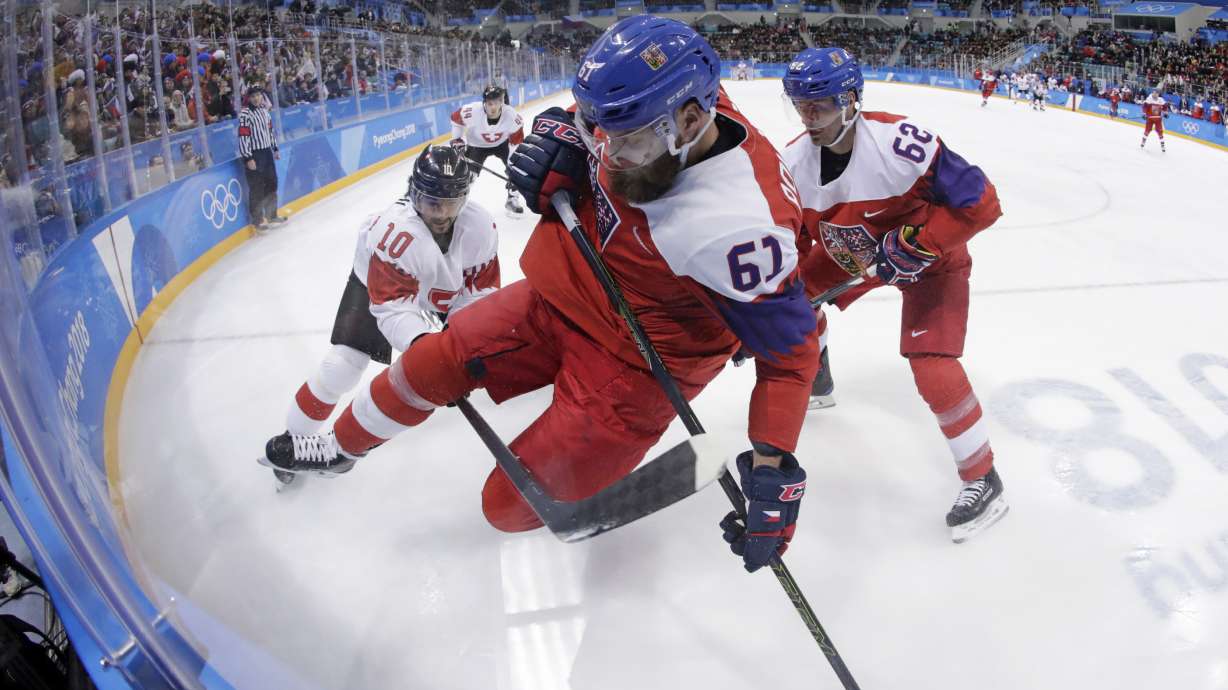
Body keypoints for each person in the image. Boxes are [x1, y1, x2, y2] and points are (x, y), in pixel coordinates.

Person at [262, 16, 818, 574]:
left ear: (691, 121)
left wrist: (774, 470)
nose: (607, 151)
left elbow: (792, 355)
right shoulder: (661, 99)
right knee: (429, 361)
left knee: (504, 507)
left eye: (626, 139)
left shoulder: (741, 231)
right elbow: (582, 121)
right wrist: (561, 132)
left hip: (635, 365)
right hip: (562, 295)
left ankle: (597, 477)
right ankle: (340, 449)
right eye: (600, 129)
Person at [780, 47, 1007, 543]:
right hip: (853, 250)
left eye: (819, 105)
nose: (808, 117)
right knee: (789, 300)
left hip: (931, 261)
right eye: (800, 105)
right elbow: (790, 248)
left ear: (851, 100)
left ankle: (983, 478)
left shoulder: (902, 144)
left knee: (931, 363)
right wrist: (764, 317)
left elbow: (983, 203)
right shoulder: (792, 163)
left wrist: (921, 244)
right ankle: (818, 377)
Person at [268, 146, 500, 486]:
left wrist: (456, 350)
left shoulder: (479, 227)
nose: (440, 213)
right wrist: (429, 352)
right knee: (342, 367)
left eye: (450, 203)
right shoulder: (394, 234)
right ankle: (294, 439)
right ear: (413, 193)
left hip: (437, 286)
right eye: (430, 202)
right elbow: (394, 308)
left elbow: (479, 292)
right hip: (376, 280)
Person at [449, 84, 526, 215]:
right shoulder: (472, 111)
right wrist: (457, 139)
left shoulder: (512, 117)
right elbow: (455, 119)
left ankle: (512, 199)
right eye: (490, 103)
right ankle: (458, 202)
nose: (493, 107)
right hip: (476, 145)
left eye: (496, 103)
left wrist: (513, 165)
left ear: (502, 102)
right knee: (467, 175)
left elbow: (516, 144)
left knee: (518, 168)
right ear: (484, 103)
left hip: (502, 144)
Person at [237, 86, 285, 229]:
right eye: (253, 96)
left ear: (262, 96)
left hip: (267, 153)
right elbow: (243, 137)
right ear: (248, 99)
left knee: (272, 183)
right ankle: (257, 221)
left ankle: (271, 216)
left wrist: (275, 148)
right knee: (256, 187)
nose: (256, 98)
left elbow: (270, 132)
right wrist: (248, 157)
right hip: (254, 154)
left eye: (258, 95)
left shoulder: (264, 111)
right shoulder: (245, 114)